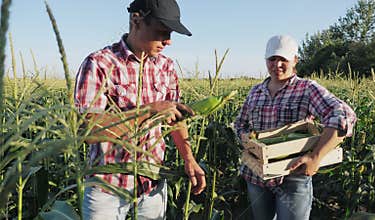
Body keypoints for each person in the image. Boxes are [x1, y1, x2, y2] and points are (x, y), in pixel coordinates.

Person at [74, 0, 206, 219]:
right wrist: (148, 112)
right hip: (108, 188)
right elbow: (88, 130)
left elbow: (176, 119)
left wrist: (189, 159)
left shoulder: (166, 66)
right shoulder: (99, 63)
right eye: (161, 32)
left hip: (151, 185)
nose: (168, 41)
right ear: (136, 20)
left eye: (170, 33)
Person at [234, 35, 357, 220]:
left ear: (295, 60)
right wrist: (248, 141)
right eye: (272, 59)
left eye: (283, 59)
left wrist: (316, 157)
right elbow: (240, 124)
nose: (277, 65)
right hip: (256, 176)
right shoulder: (255, 92)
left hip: (293, 177)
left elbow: (344, 115)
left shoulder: (306, 89)